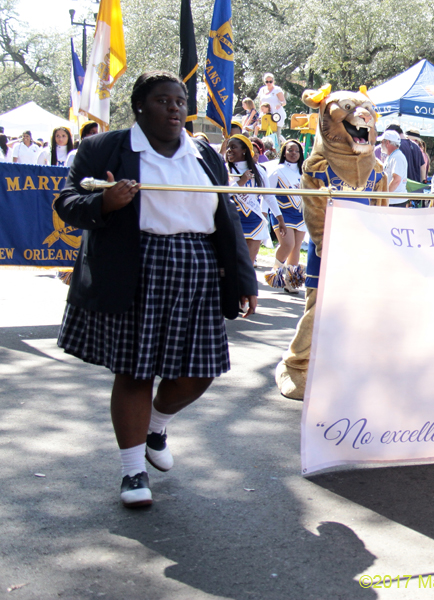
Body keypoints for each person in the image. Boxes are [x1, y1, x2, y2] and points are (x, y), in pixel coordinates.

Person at [54, 70, 258, 508]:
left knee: (201, 370)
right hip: (135, 265)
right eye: (164, 100)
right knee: (135, 372)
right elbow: (66, 202)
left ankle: (156, 425)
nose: (174, 108)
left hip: (197, 269)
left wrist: (243, 279)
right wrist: (104, 203)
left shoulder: (204, 154)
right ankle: (132, 472)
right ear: (140, 106)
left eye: (180, 100)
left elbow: (226, 220)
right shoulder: (104, 147)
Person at [225, 134, 286, 265]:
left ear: (244, 150)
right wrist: (240, 183)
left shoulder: (258, 170)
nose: (229, 150)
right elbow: (221, 195)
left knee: (248, 266)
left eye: (233, 147)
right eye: (228, 147)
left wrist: (280, 219)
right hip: (233, 221)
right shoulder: (225, 169)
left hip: (254, 222)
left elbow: (268, 195)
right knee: (231, 264)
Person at [267, 140, 307, 293]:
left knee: (296, 247)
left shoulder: (304, 171)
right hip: (282, 213)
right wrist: (266, 213)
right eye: (290, 150)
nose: (293, 153)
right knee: (288, 244)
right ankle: (275, 272)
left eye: (296, 151)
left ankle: (291, 280)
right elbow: (268, 195)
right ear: (284, 152)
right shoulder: (277, 170)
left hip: (299, 213)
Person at [379, 129, 408, 206]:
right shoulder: (394, 156)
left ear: (387, 143)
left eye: (382, 142)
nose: (380, 145)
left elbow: (396, 180)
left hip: (395, 202)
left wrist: (384, 197)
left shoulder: (397, 157)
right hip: (394, 200)